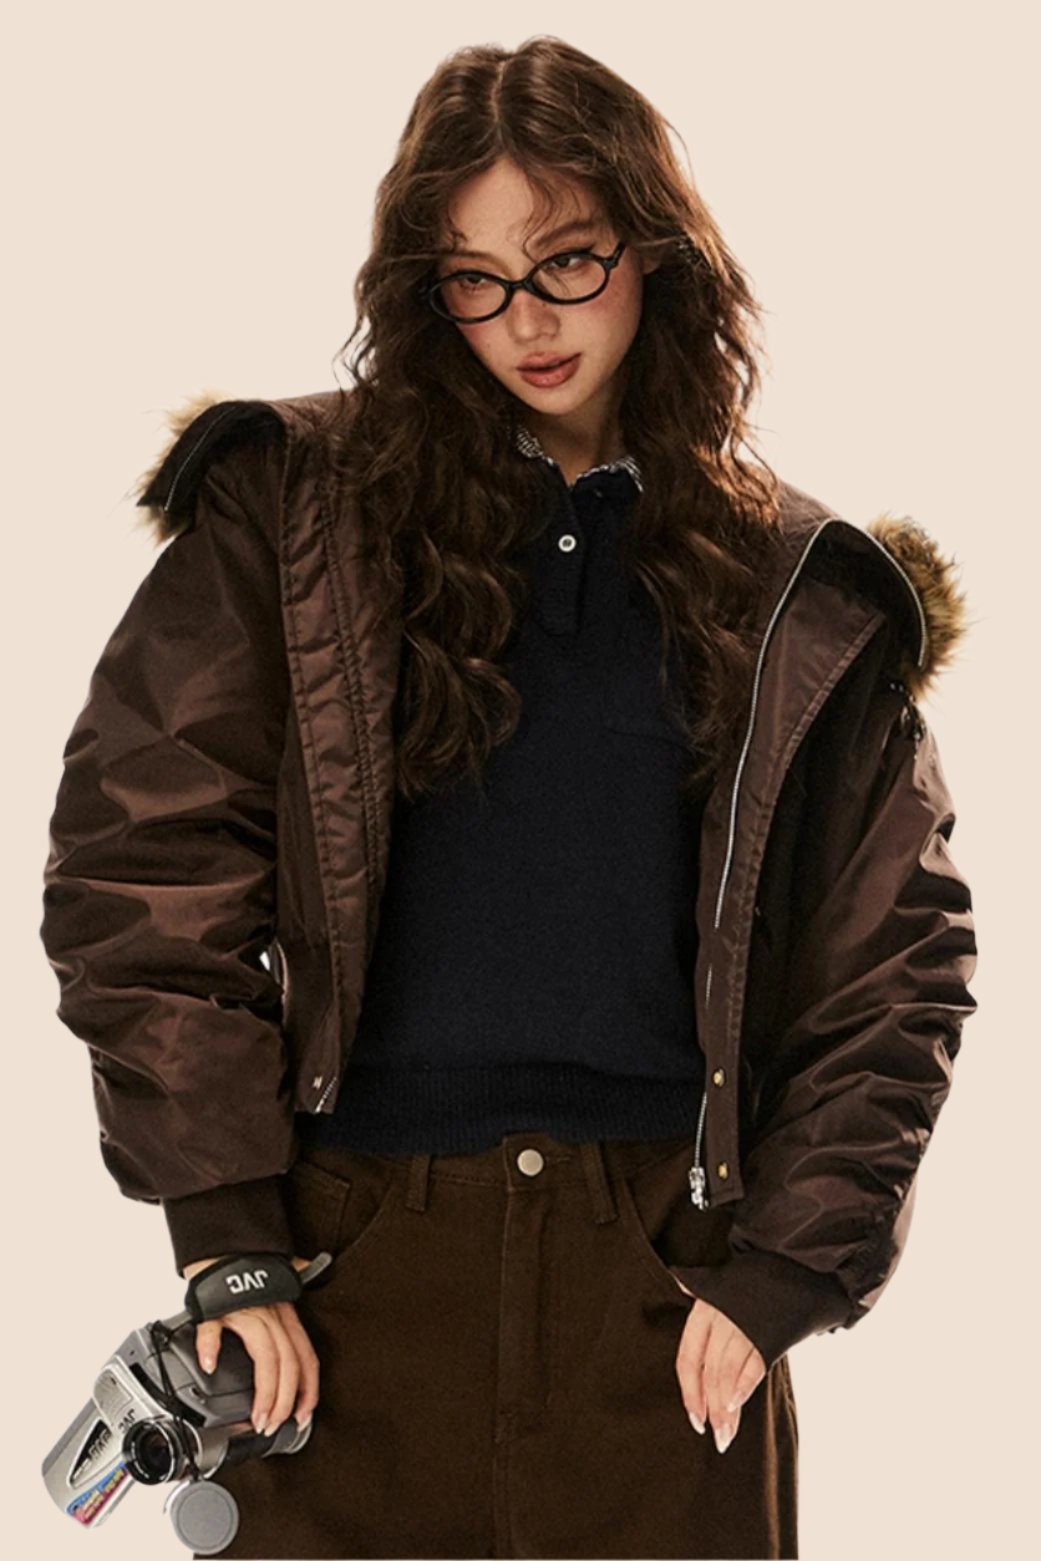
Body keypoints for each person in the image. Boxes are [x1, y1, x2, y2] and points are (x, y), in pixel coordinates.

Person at [39, 34, 978, 1561]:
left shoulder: (792, 588)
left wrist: (780, 1272)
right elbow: (137, 858)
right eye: (472, 279)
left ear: (657, 252)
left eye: (565, 262)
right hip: (339, 1281)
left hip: (662, 1297)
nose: (525, 320)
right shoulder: (294, 511)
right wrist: (226, 1228)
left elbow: (897, 966)